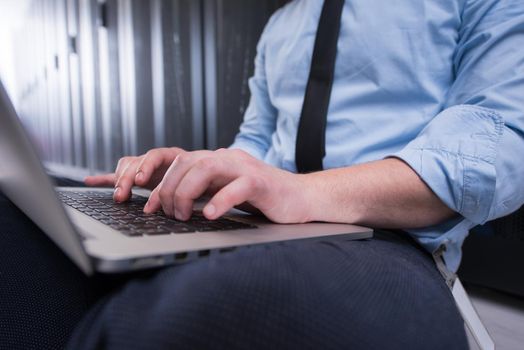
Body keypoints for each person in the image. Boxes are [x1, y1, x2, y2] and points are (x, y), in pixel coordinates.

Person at [1, 0, 523, 349]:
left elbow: (497, 145)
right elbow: (255, 142)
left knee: (233, 310)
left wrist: (302, 191)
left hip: (386, 237)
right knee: (17, 220)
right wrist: (202, 167)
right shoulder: (284, 23)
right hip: (251, 223)